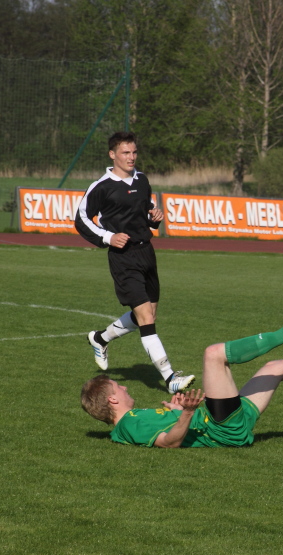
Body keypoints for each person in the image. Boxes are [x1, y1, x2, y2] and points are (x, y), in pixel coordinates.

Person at [81, 291, 283, 448]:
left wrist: (177, 409)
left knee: (275, 368)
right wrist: (188, 413)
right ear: (112, 400)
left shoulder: (131, 421)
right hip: (221, 426)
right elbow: (168, 443)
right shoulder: (128, 425)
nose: (125, 386)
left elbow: (166, 430)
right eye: (118, 387)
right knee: (214, 354)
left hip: (225, 423)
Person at [76, 131, 194, 394]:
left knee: (149, 315)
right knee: (146, 318)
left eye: (134, 152)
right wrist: (108, 237)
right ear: (112, 155)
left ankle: (100, 338)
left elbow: (144, 210)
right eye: (125, 152)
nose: (131, 157)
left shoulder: (142, 179)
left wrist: (153, 217)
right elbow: (81, 219)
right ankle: (170, 378)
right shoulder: (102, 186)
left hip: (147, 253)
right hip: (123, 258)